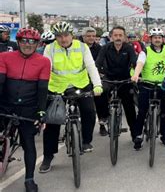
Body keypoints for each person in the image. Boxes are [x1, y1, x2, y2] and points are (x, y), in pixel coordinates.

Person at [40, 22, 103, 173]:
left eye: (66, 35)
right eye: (59, 36)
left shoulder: (82, 47)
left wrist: (97, 85)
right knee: (52, 121)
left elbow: (91, 67)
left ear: (72, 35)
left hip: (80, 85)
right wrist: (44, 90)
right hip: (57, 87)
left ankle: (86, 141)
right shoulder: (50, 48)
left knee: (89, 111)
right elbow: (46, 70)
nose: (63, 39)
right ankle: (48, 156)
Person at [0, 28, 50, 192]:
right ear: (18, 41)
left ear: (37, 44)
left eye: (32, 42)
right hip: (6, 103)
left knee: (28, 143)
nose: (27, 45)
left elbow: (42, 88)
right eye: (24, 41)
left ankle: (29, 179)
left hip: (29, 107)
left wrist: (41, 112)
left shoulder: (43, 61)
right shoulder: (4, 57)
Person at [95, 26, 139, 145]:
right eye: (115, 35)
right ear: (111, 37)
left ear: (124, 37)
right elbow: (98, 63)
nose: (118, 38)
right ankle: (103, 116)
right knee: (100, 92)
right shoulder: (105, 48)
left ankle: (134, 135)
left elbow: (135, 62)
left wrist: (136, 75)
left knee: (129, 108)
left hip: (125, 80)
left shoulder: (128, 48)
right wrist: (97, 74)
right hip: (109, 78)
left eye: (120, 35)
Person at [131, 28, 165, 149]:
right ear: (151, 39)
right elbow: (140, 64)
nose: (157, 40)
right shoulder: (145, 52)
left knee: (163, 112)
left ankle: (163, 134)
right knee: (142, 111)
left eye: (159, 37)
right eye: (155, 37)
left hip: (162, 85)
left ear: (162, 39)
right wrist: (136, 74)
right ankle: (138, 135)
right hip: (147, 85)